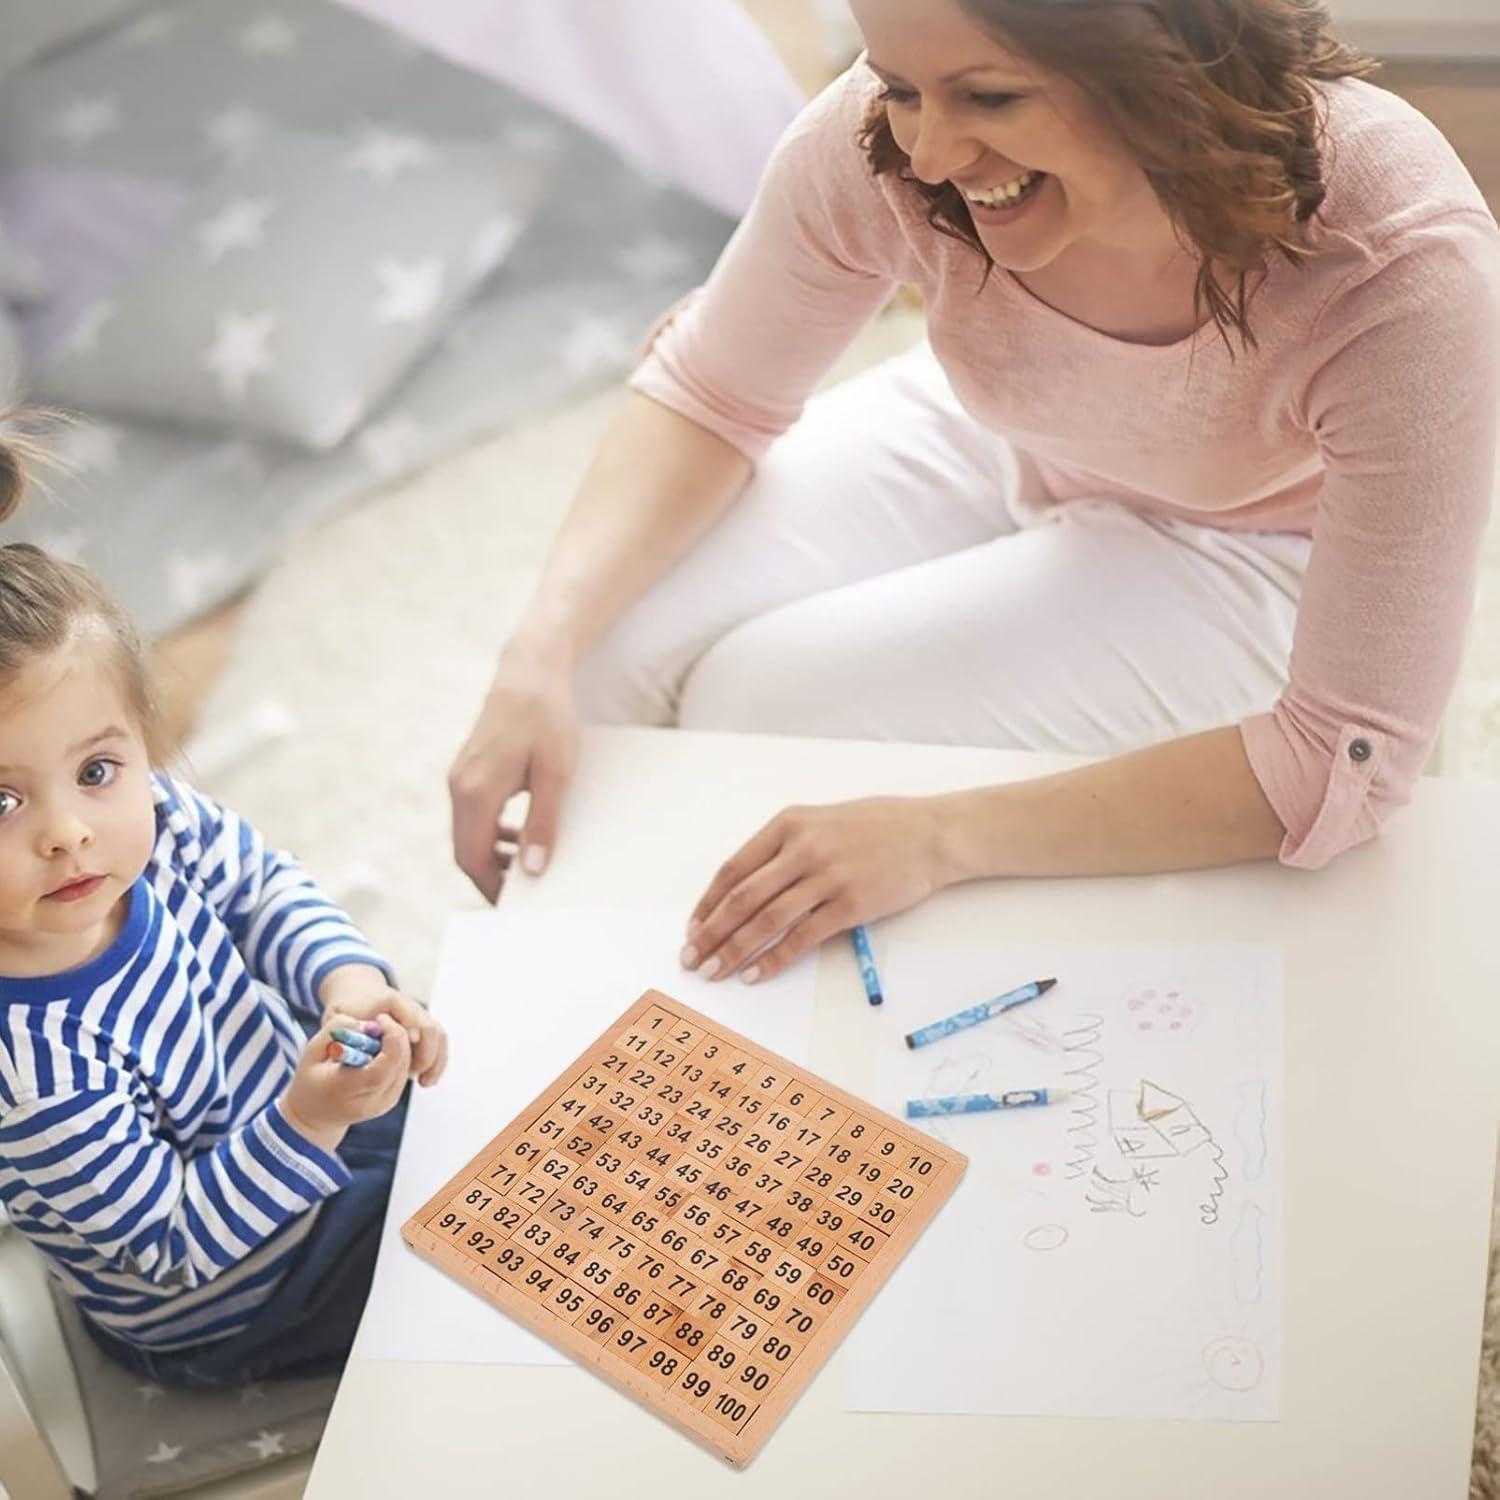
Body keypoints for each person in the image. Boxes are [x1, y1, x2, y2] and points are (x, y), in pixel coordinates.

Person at [449, 0, 1499, 984]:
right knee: (606, 657)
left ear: (1168, 69)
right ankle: (566, 1003)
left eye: (988, 98)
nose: (930, 154)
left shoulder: (1401, 267)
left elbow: (1345, 759)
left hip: (1259, 547)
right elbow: (713, 386)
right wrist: (537, 646)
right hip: (1008, 425)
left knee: (762, 708)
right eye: (900, 87)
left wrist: (943, 834)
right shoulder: (887, 139)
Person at [0, 427, 447, 1387]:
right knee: (485, 1283)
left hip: (300, 1123)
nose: (69, 832)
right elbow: (171, 1243)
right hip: (248, 1290)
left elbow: (261, 883)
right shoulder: (31, 1075)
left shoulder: (148, 815)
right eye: (3, 800)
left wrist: (349, 986)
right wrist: (312, 1118)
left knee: (515, 1107)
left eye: (96, 768)